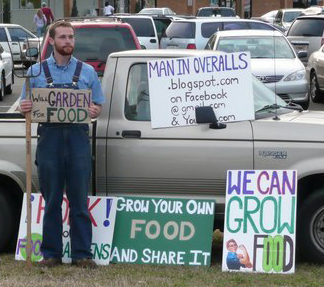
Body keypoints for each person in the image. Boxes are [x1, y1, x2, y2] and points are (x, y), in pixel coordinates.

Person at [20, 21, 105, 268]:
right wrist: (25, 107)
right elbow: (26, 105)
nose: (68, 41)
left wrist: (94, 109)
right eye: (63, 37)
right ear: (53, 41)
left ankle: (82, 254)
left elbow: (98, 105)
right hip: (50, 141)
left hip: (78, 140)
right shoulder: (35, 72)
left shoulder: (87, 72)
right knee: (52, 200)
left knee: (79, 200)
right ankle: (51, 254)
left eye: (71, 37)